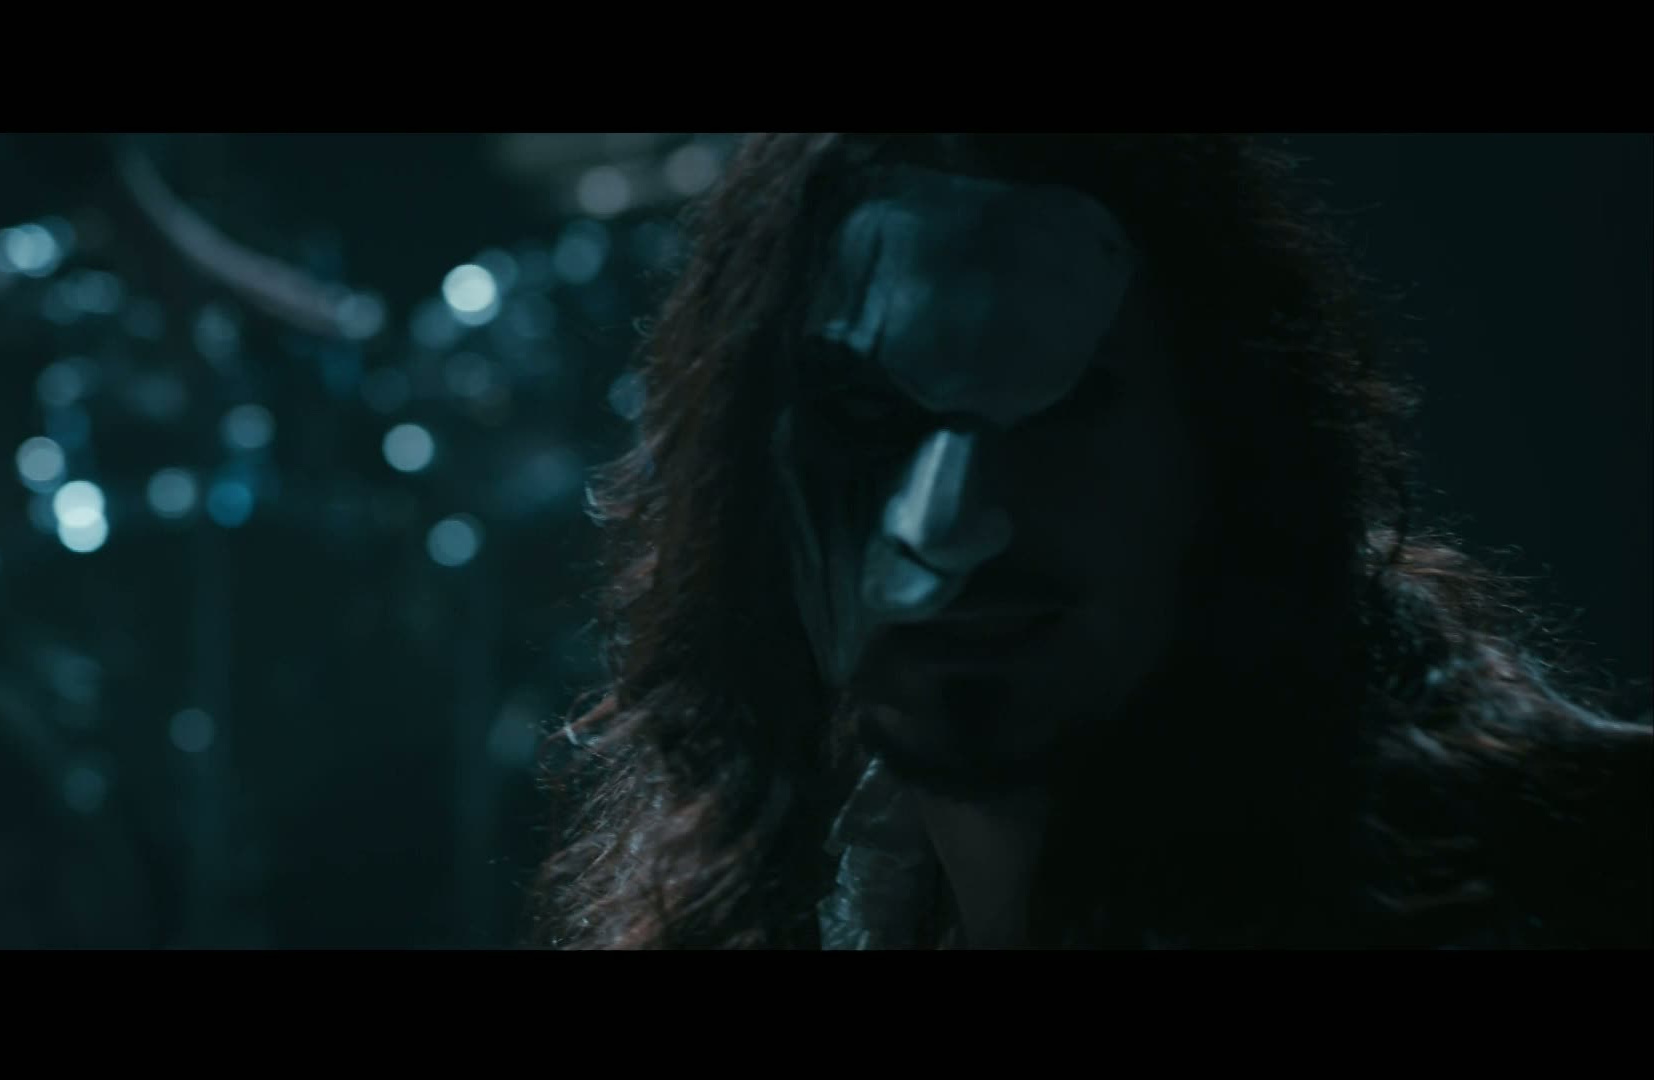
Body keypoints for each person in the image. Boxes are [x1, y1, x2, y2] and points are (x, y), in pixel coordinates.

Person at [533, 133, 1652, 949]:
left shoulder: (1570, 882)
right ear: (752, 485)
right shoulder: (786, 896)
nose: (948, 527)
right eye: (867, 418)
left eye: (1053, 403)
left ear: (1225, 441)